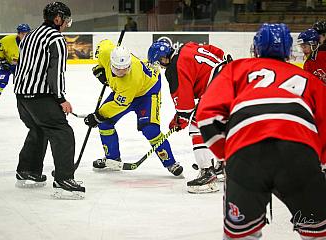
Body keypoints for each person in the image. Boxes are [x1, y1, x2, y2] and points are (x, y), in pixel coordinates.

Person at [196, 23, 326, 239]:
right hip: (299, 155)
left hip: (247, 154)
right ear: (289, 50)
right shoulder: (310, 79)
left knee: (241, 234)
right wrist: (317, 163)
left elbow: (208, 117)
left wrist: (228, 154)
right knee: (317, 233)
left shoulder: (236, 69)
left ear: (255, 47)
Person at [13, 1, 85, 199]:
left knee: (38, 128)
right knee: (62, 132)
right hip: (40, 96)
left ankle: (28, 170)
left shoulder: (30, 36)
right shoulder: (56, 39)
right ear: (58, 18)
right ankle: (63, 180)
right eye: (66, 21)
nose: (66, 25)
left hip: (22, 96)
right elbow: (55, 72)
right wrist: (60, 98)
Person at [83, 39, 183, 177]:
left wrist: (97, 116)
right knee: (105, 124)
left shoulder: (129, 80)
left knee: (150, 129)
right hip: (126, 93)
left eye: (126, 68)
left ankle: (170, 162)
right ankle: (112, 158)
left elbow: (119, 104)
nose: (123, 71)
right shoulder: (106, 51)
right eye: (118, 69)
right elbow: (103, 43)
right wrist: (99, 68)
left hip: (147, 92)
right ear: (112, 62)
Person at [147, 39, 228, 193]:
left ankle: (207, 172)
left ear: (164, 58)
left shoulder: (174, 69)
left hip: (219, 89)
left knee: (197, 126)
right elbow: (216, 51)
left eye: (159, 62)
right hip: (232, 77)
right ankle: (223, 165)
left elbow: (185, 106)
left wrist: (179, 120)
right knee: (219, 124)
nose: (161, 65)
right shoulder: (187, 46)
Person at [0, 24, 30, 117]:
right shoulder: (7, 40)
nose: (25, 36)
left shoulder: (32, 42)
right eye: (23, 33)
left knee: (24, 87)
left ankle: (26, 108)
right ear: (18, 33)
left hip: (20, 67)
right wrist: (1, 60)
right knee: (0, 84)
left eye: (27, 33)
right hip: (5, 65)